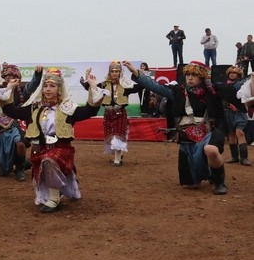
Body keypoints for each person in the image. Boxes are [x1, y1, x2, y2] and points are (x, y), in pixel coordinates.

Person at [0, 67, 103, 212]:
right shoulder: (33, 108)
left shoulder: (68, 108)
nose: (48, 89)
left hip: (62, 148)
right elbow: (11, 111)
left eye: (52, 86)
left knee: (49, 161)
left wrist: (93, 86)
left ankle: (54, 199)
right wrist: (9, 88)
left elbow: (90, 111)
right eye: (46, 86)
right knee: (45, 163)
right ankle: (62, 187)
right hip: (39, 149)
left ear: (59, 89)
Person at [125, 60, 228, 195]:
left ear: (201, 77)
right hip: (186, 138)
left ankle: (220, 182)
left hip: (208, 133)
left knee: (211, 150)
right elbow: (156, 87)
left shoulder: (213, 91)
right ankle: (209, 172)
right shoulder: (178, 91)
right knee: (192, 185)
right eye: (188, 75)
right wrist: (136, 73)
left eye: (194, 75)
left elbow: (236, 90)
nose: (190, 78)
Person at [82, 61, 140, 166]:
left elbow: (140, 86)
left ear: (120, 72)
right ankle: (118, 155)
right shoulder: (103, 85)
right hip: (108, 113)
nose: (114, 73)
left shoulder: (125, 85)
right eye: (112, 71)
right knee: (111, 136)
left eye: (116, 71)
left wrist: (136, 72)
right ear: (109, 73)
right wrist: (86, 75)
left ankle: (117, 160)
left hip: (120, 112)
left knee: (118, 136)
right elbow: (89, 87)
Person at [0, 64, 41, 181]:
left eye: (13, 76)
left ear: (18, 78)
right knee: (2, 172)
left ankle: (20, 169)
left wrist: (37, 75)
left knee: (20, 144)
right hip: (0, 127)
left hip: (14, 125)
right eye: (8, 76)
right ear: (4, 77)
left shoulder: (21, 91)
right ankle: (24, 163)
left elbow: (32, 85)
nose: (10, 78)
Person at [218, 66, 250, 166]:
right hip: (227, 112)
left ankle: (244, 158)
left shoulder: (243, 85)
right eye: (230, 73)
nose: (232, 74)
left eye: (234, 73)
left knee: (239, 132)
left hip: (239, 112)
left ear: (239, 75)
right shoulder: (223, 85)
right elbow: (221, 97)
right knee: (231, 134)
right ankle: (234, 157)